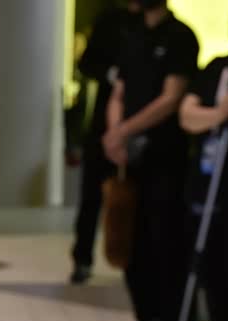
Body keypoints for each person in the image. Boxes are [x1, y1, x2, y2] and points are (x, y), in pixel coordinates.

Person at [102, 0, 199, 321]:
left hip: (166, 158)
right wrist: (115, 133)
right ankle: (148, 320)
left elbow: (171, 98)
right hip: (132, 161)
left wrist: (124, 130)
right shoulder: (132, 36)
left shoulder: (180, 36)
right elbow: (118, 92)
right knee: (134, 241)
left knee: (168, 242)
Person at [178, 4, 228, 321]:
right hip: (209, 188)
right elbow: (187, 115)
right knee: (212, 272)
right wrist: (221, 113)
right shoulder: (220, 68)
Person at [70, 1, 142, 284]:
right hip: (103, 124)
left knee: (135, 198)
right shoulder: (111, 20)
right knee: (91, 195)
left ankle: (132, 261)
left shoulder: (157, 28)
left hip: (138, 120)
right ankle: (82, 257)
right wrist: (111, 74)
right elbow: (87, 63)